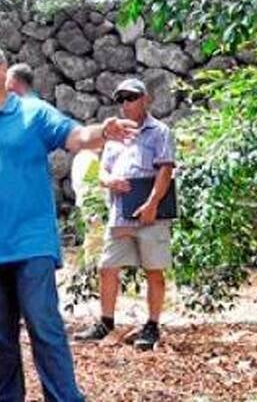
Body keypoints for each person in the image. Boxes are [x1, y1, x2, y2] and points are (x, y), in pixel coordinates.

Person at [0, 43, 137, 402]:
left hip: (31, 245)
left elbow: (75, 137)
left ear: (3, 70)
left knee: (44, 329)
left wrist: (103, 131)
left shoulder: (33, 113)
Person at [72, 78, 174, 351]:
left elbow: (166, 169)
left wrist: (152, 203)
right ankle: (106, 322)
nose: (126, 104)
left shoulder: (159, 132)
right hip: (120, 213)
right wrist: (109, 181)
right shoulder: (114, 135)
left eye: (131, 97)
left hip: (151, 212)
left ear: (145, 99)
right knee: (107, 267)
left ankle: (152, 325)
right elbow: (103, 171)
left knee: (154, 270)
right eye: (121, 99)